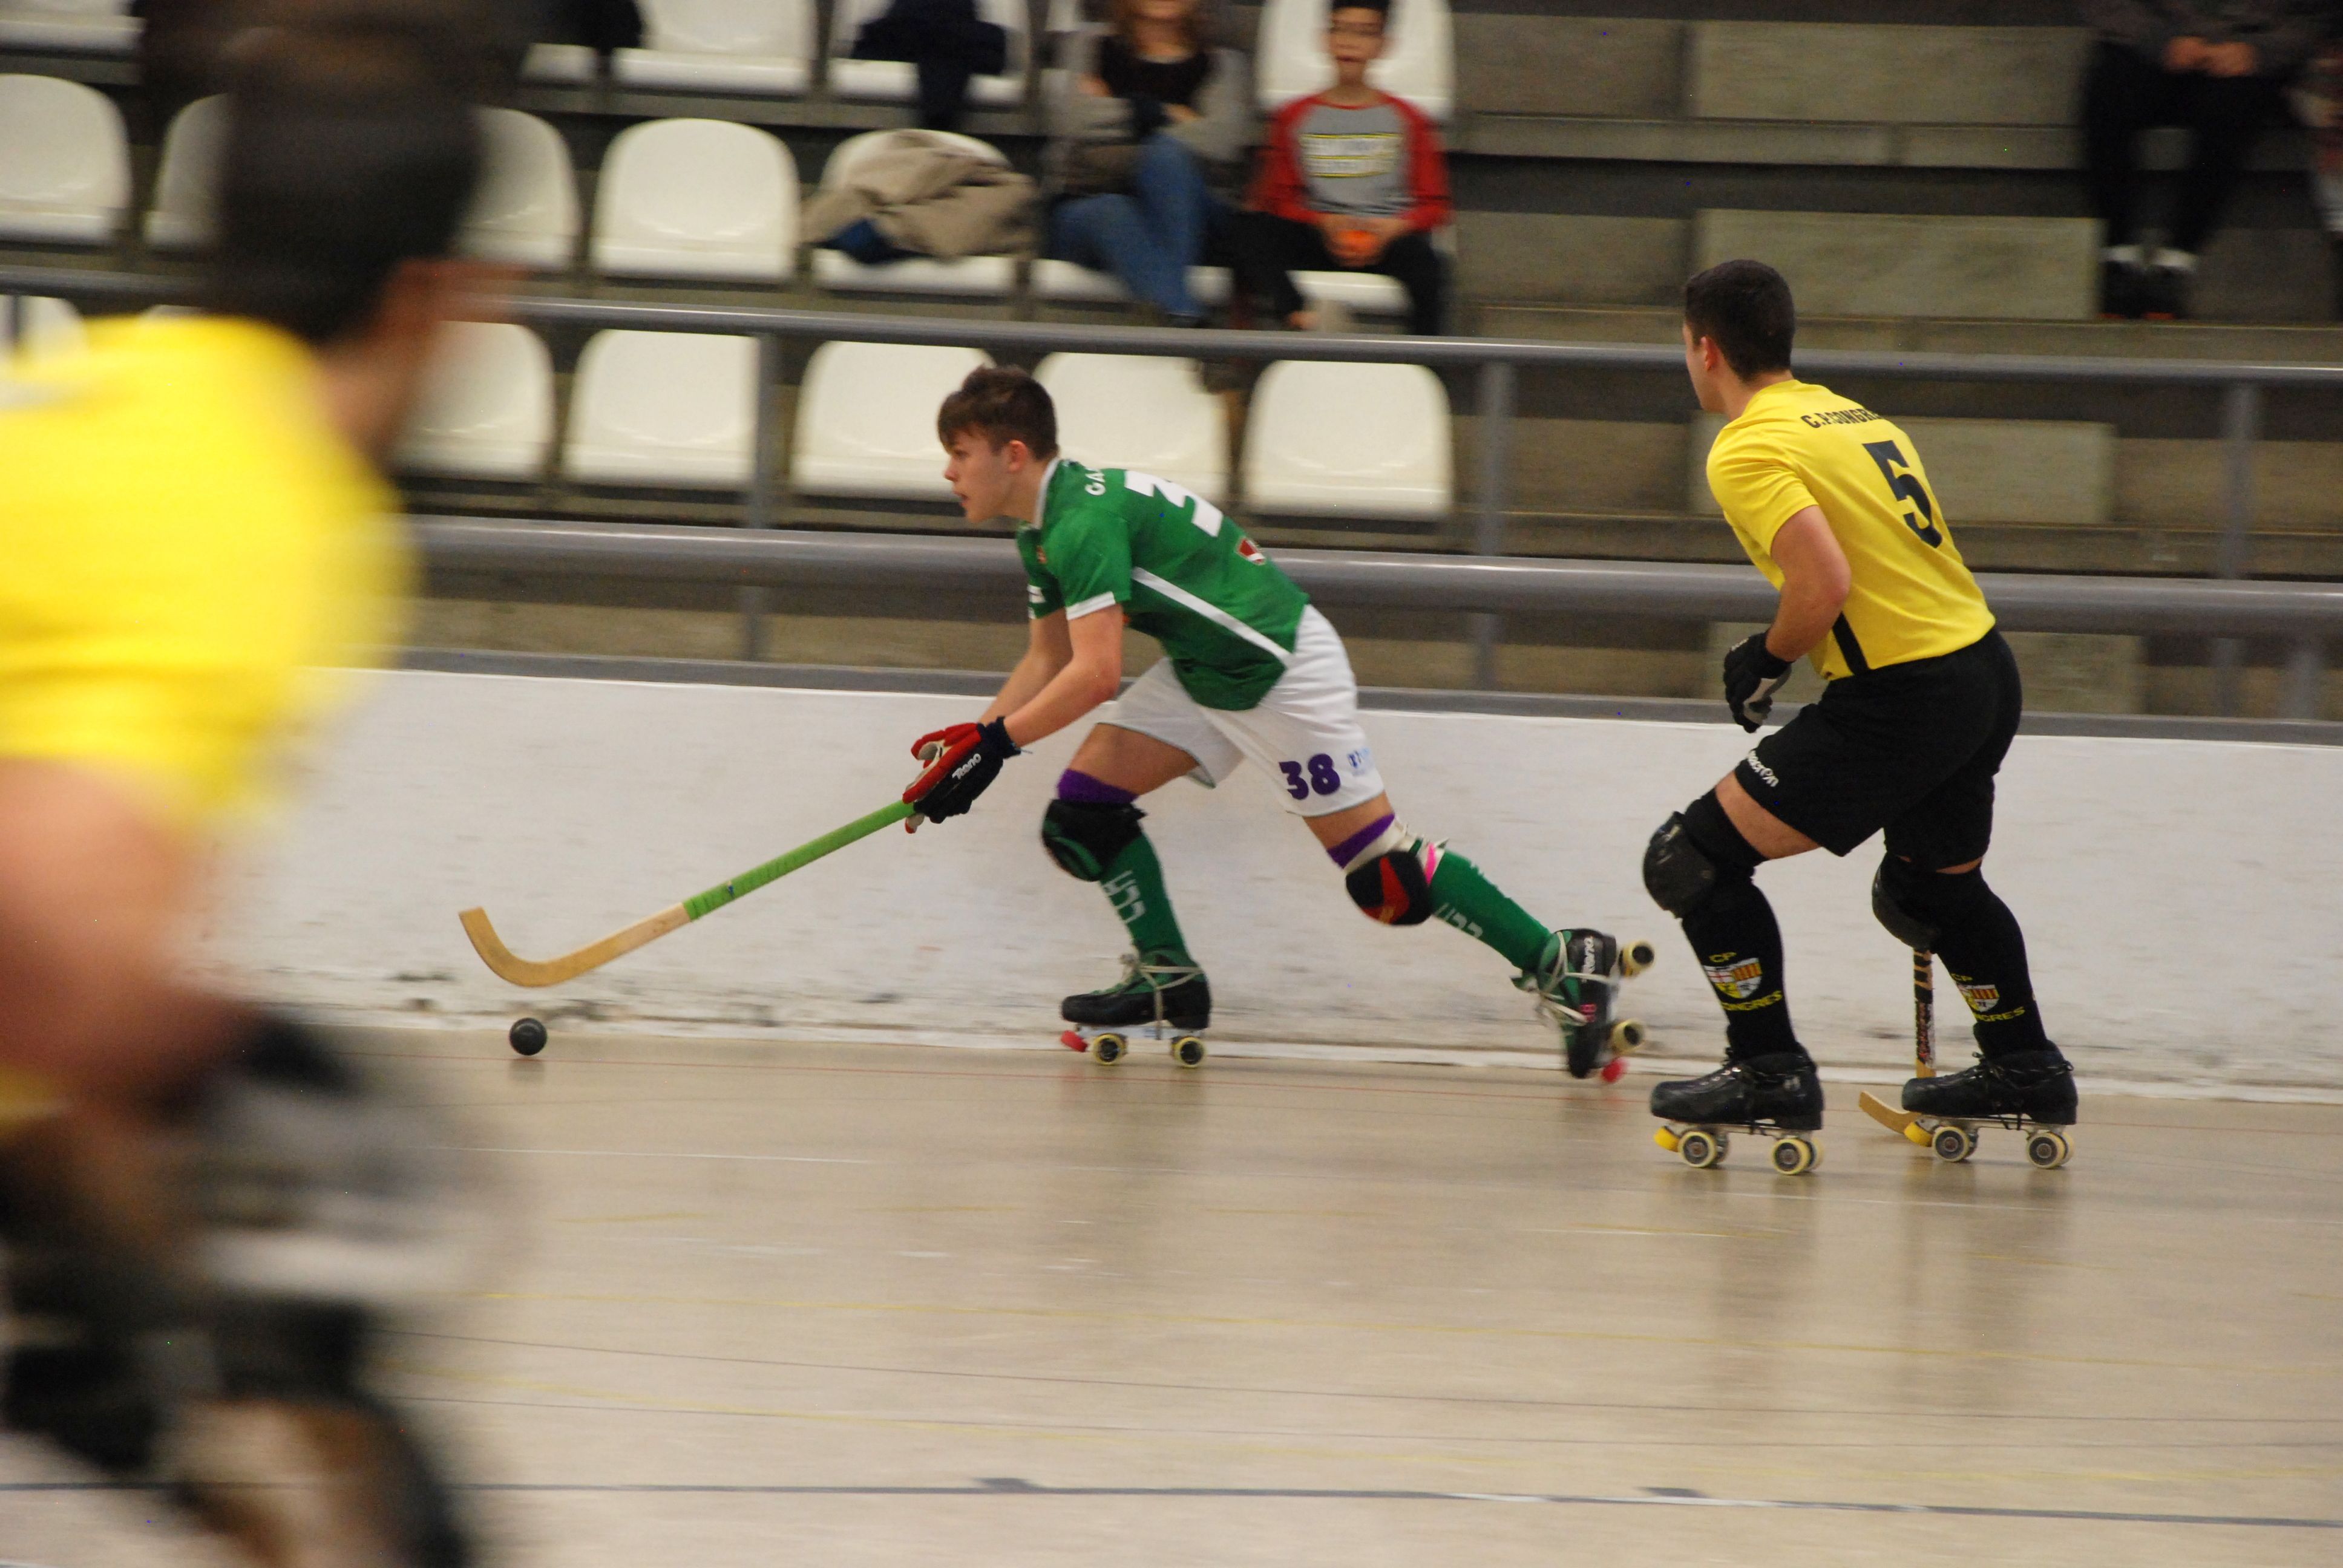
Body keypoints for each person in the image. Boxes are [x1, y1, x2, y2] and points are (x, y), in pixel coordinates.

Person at [0, 7, 498, 1563]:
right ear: (438, 298)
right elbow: (53, 918)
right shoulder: (269, 504)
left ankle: (105, 1381)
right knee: (373, 1190)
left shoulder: (102, 391)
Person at [903, 367, 1641, 1074]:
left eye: (958, 455)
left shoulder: (1080, 522)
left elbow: (1094, 676)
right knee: (1082, 816)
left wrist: (996, 745)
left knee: (1383, 878)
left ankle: (1560, 961)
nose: (947, 473)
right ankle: (1168, 978)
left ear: (1013, 454)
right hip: (1206, 670)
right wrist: (973, 748)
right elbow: (1046, 657)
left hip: (1278, 670)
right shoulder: (1042, 529)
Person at [1640, 261, 2074, 1163]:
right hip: (1982, 672)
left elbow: (1824, 582)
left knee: (1691, 861)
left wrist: (1765, 661)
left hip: (1907, 694)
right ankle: (2025, 1067)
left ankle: (1768, 1071)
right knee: (1929, 888)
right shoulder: (1851, 415)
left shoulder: (1748, 445)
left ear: (1706, 348)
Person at [2080, 1, 2328, 318]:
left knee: (2234, 104)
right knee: (2109, 86)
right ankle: (2118, 254)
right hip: (2152, 41)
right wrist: (2159, 39)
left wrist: (2260, 51)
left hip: (2249, 51)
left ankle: (2178, 258)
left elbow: (2320, 16)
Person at [1225, 0, 1449, 335]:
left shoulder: (1409, 120)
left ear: (1383, 45)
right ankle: (1303, 316)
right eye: (1341, 29)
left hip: (1386, 236)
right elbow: (1280, 198)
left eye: (1365, 33)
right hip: (1320, 232)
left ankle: (1426, 366)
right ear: (1325, 38)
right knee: (1248, 229)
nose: (1350, 42)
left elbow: (1435, 204)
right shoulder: (1294, 117)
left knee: (1428, 264)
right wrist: (1324, 221)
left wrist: (1390, 229)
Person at [1044, 0, 1254, 325]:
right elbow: (1072, 120)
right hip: (1086, 207)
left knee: (1166, 155)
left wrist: (1123, 114)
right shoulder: (1090, 47)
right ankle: (1186, 320)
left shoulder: (1222, 64)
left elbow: (1222, 140)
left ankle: (1179, 317)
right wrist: (1166, 113)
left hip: (1193, 213)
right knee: (1113, 209)